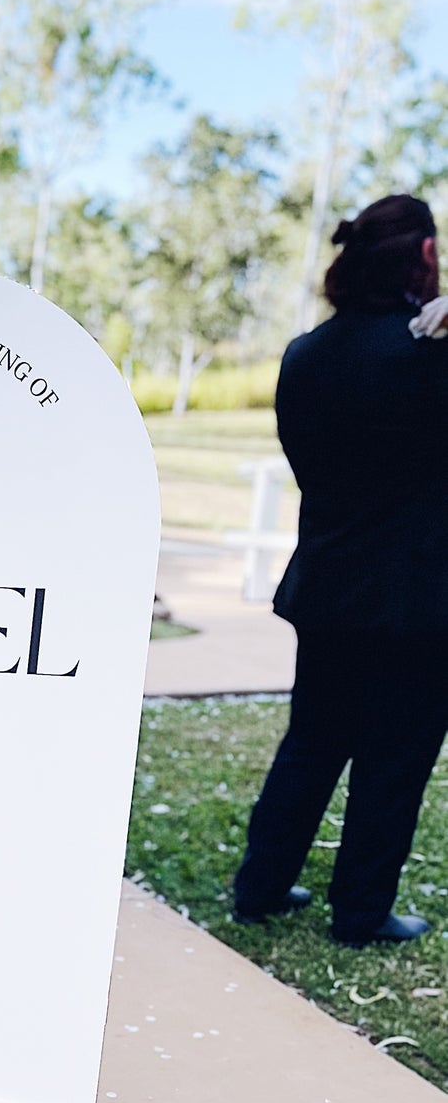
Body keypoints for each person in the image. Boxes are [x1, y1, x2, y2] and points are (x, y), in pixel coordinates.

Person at [234, 193, 448, 947]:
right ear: (424, 255)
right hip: (419, 602)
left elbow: (309, 464)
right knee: (392, 761)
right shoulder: (430, 358)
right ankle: (358, 912)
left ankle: (258, 886)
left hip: (327, 587)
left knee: (312, 741)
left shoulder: (303, 356)